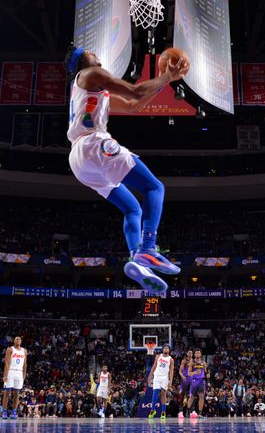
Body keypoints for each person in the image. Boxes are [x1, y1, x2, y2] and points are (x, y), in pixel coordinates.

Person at [64, 46, 188, 293]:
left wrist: (164, 82)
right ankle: (149, 249)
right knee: (154, 187)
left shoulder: (88, 88)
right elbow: (134, 91)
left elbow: (133, 105)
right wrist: (167, 76)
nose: (97, 54)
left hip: (79, 161)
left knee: (132, 208)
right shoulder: (91, 73)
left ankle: (137, 259)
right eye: (90, 52)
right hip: (94, 144)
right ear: (82, 61)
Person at [2, 336, 27, 419]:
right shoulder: (10, 349)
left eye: (19, 339)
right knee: (7, 393)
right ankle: (4, 412)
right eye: (16, 339)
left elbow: (25, 364)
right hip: (11, 371)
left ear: (21, 341)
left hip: (19, 372)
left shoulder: (24, 351)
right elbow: (7, 362)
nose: (18, 340)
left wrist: (24, 374)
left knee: (17, 393)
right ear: (14, 341)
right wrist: (5, 375)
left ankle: (14, 412)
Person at [147, 344, 174, 420]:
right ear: (162, 349)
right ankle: (152, 410)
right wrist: (150, 375)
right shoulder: (158, 356)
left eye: (167, 348)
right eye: (164, 347)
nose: (166, 349)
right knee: (155, 393)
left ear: (169, 350)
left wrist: (170, 381)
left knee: (163, 394)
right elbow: (154, 366)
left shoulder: (170, 359)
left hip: (165, 378)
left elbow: (171, 371)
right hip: (157, 377)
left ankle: (163, 412)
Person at [186, 349, 208, 418]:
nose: (198, 354)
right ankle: (188, 411)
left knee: (201, 396)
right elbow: (189, 373)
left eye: (199, 353)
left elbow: (206, 372)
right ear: (194, 354)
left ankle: (200, 413)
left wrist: (208, 375)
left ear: (201, 354)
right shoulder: (192, 362)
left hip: (202, 381)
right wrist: (195, 372)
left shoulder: (204, 363)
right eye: (196, 353)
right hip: (194, 381)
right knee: (192, 397)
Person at [178, 350, 193, 418]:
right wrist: (182, 376)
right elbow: (180, 371)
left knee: (190, 396)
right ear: (187, 353)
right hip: (185, 379)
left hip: (191, 380)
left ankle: (188, 411)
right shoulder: (184, 361)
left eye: (191, 353)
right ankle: (180, 411)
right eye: (189, 352)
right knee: (182, 395)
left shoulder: (194, 361)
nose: (190, 354)